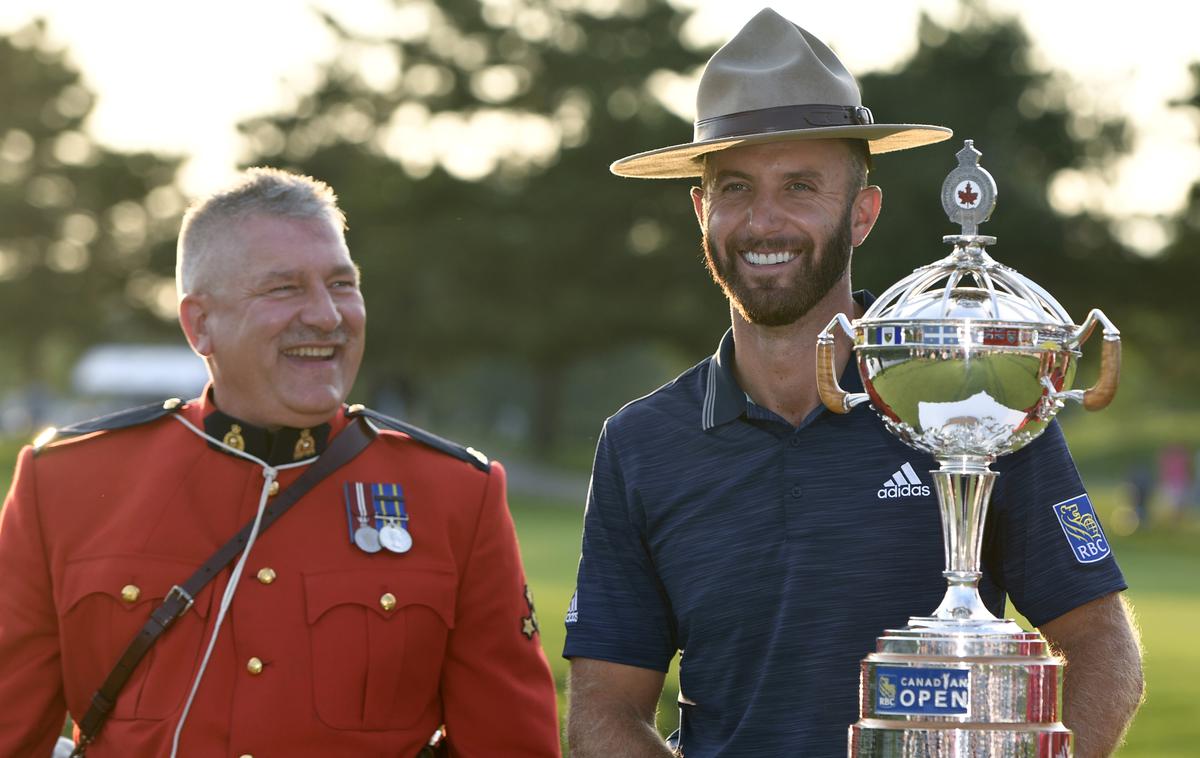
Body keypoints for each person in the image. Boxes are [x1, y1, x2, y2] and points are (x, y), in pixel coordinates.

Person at [563, 9, 1143, 757]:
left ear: (861, 213)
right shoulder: (640, 444)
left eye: (800, 187)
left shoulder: (971, 396)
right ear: (701, 210)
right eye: (735, 188)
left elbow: (1102, 647)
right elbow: (603, 712)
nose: (762, 221)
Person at [0, 168, 561, 757]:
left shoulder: (453, 496)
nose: (326, 315)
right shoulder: (65, 483)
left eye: (342, 285)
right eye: (285, 288)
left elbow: (511, 745)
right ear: (200, 325)